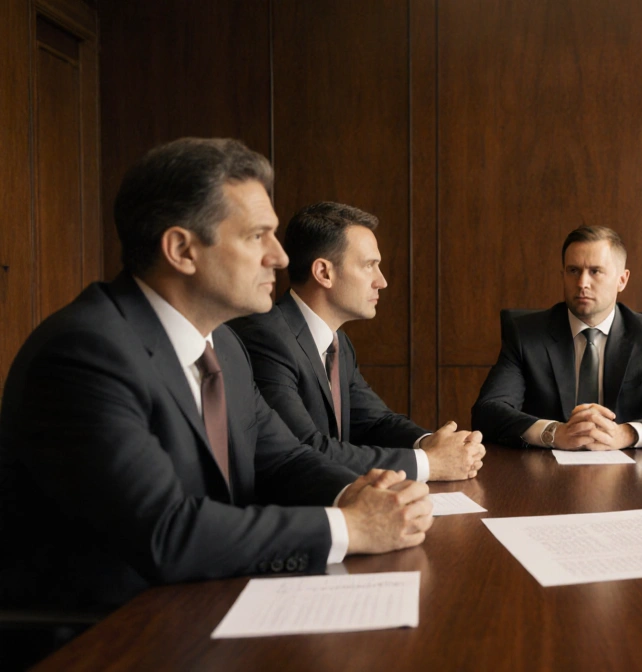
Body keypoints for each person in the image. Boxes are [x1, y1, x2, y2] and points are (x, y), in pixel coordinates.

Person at [0, 138, 433, 614]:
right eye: (257, 236)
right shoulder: (85, 353)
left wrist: (362, 492)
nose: (280, 257)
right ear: (182, 249)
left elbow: (284, 461)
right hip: (111, 630)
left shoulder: (224, 344)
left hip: (206, 601)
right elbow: (165, 531)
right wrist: (352, 527)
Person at [229, 202, 485, 481]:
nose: (382, 281)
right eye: (369, 266)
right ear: (324, 273)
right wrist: (430, 463)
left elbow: (375, 422)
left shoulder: (339, 343)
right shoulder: (267, 338)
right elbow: (305, 450)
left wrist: (431, 443)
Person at [472, 225, 642, 449]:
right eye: (573, 271)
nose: (582, 283)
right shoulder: (526, 335)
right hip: (545, 467)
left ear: (622, 280)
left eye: (595, 271)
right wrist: (554, 433)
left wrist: (625, 434)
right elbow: (487, 412)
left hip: (629, 468)